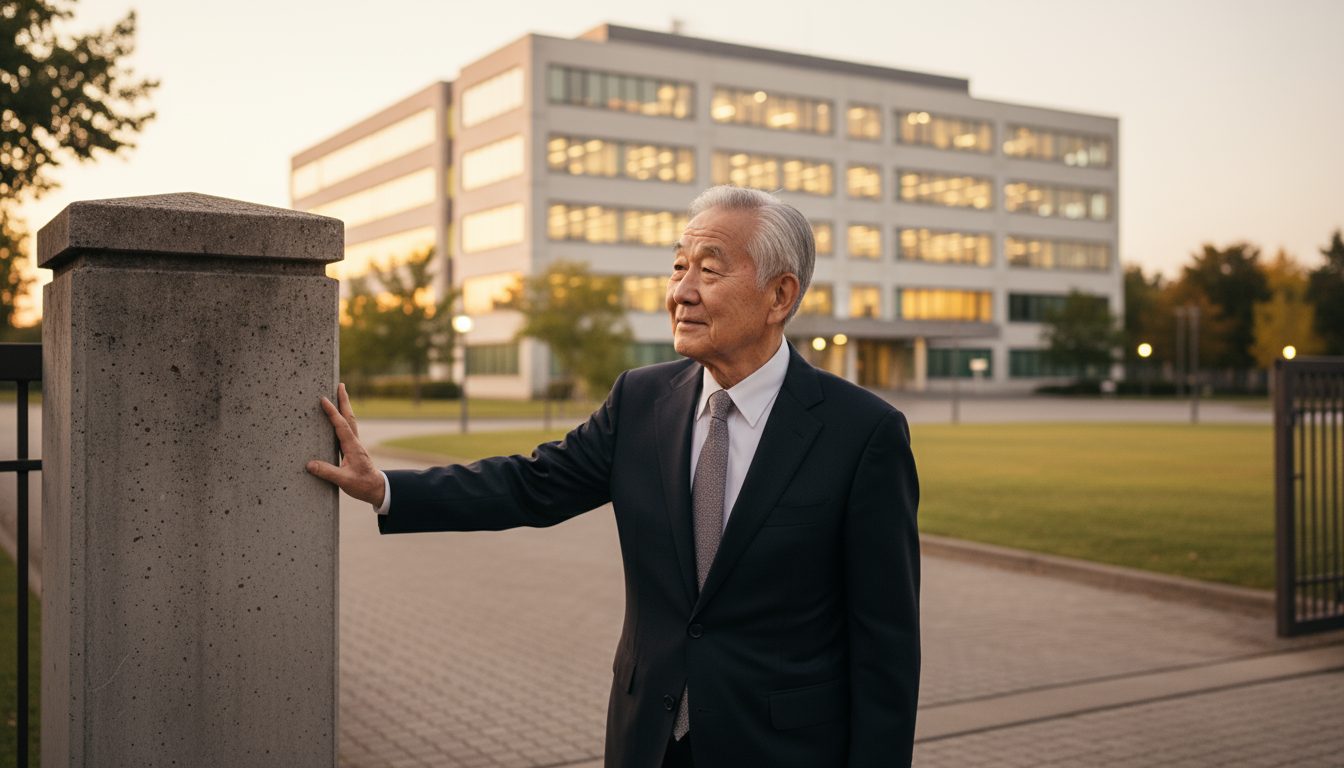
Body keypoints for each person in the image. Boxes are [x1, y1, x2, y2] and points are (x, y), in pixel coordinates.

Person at [307, 185, 920, 767]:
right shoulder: (642, 399)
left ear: (780, 296)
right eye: (678, 267)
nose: (682, 291)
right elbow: (533, 485)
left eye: (709, 269)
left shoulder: (862, 433)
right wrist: (387, 488)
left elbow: (886, 648)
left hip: (782, 748)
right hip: (646, 740)